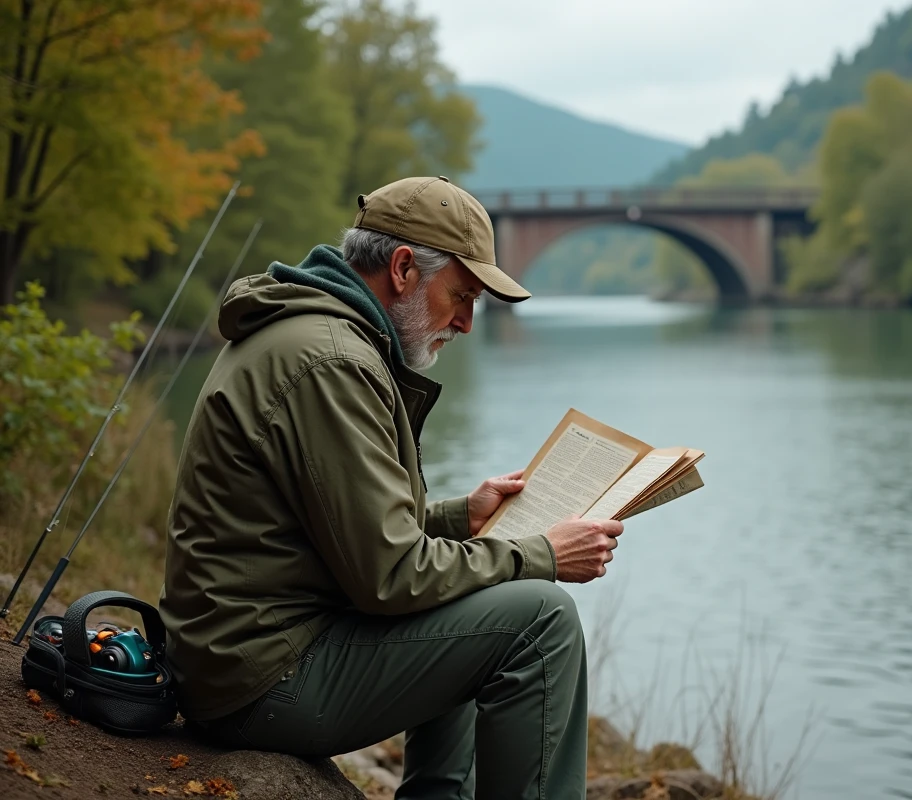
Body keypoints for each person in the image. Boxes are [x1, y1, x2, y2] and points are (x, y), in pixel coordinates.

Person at [159, 176, 623, 800]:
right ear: (403, 268)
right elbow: (390, 576)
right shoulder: (332, 361)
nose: (465, 322)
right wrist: (542, 554)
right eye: (461, 295)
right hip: (262, 677)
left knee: (474, 595)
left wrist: (463, 516)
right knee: (542, 618)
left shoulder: (322, 335)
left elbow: (339, 529)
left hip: (247, 653)